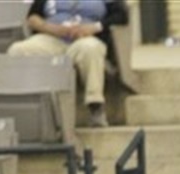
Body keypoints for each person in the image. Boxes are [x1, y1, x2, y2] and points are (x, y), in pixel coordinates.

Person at [7, 0, 129, 128]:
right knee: (17, 50)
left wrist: (93, 27)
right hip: (53, 38)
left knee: (91, 49)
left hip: (86, 38)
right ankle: (21, 106)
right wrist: (53, 28)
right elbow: (32, 18)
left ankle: (95, 106)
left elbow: (121, 16)